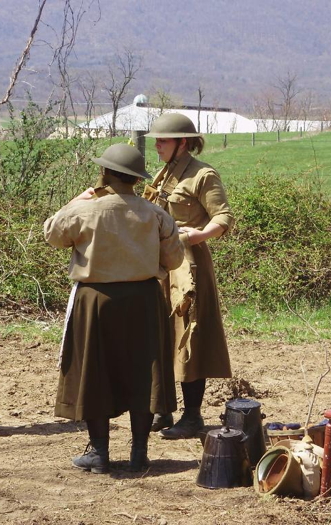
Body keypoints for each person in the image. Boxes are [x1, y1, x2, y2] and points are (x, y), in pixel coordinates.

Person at [44, 143, 183, 473]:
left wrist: (74, 202)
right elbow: (175, 258)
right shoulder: (155, 213)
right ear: (136, 179)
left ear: (104, 173)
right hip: (145, 301)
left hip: (96, 302)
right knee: (143, 375)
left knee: (95, 373)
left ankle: (100, 454)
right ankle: (139, 453)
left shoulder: (87, 210)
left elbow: (53, 234)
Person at [143, 113, 235, 439]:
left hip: (188, 267)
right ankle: (162, 408)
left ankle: (192, 415)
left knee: (188, 337)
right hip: (159, 266)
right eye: (156, 140)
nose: (157, 146)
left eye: (163, 140)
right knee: (160, 336)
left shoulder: (202, 175)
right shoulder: (162, 174)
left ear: (183, 142)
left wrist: (195, 236)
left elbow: (223, 218)